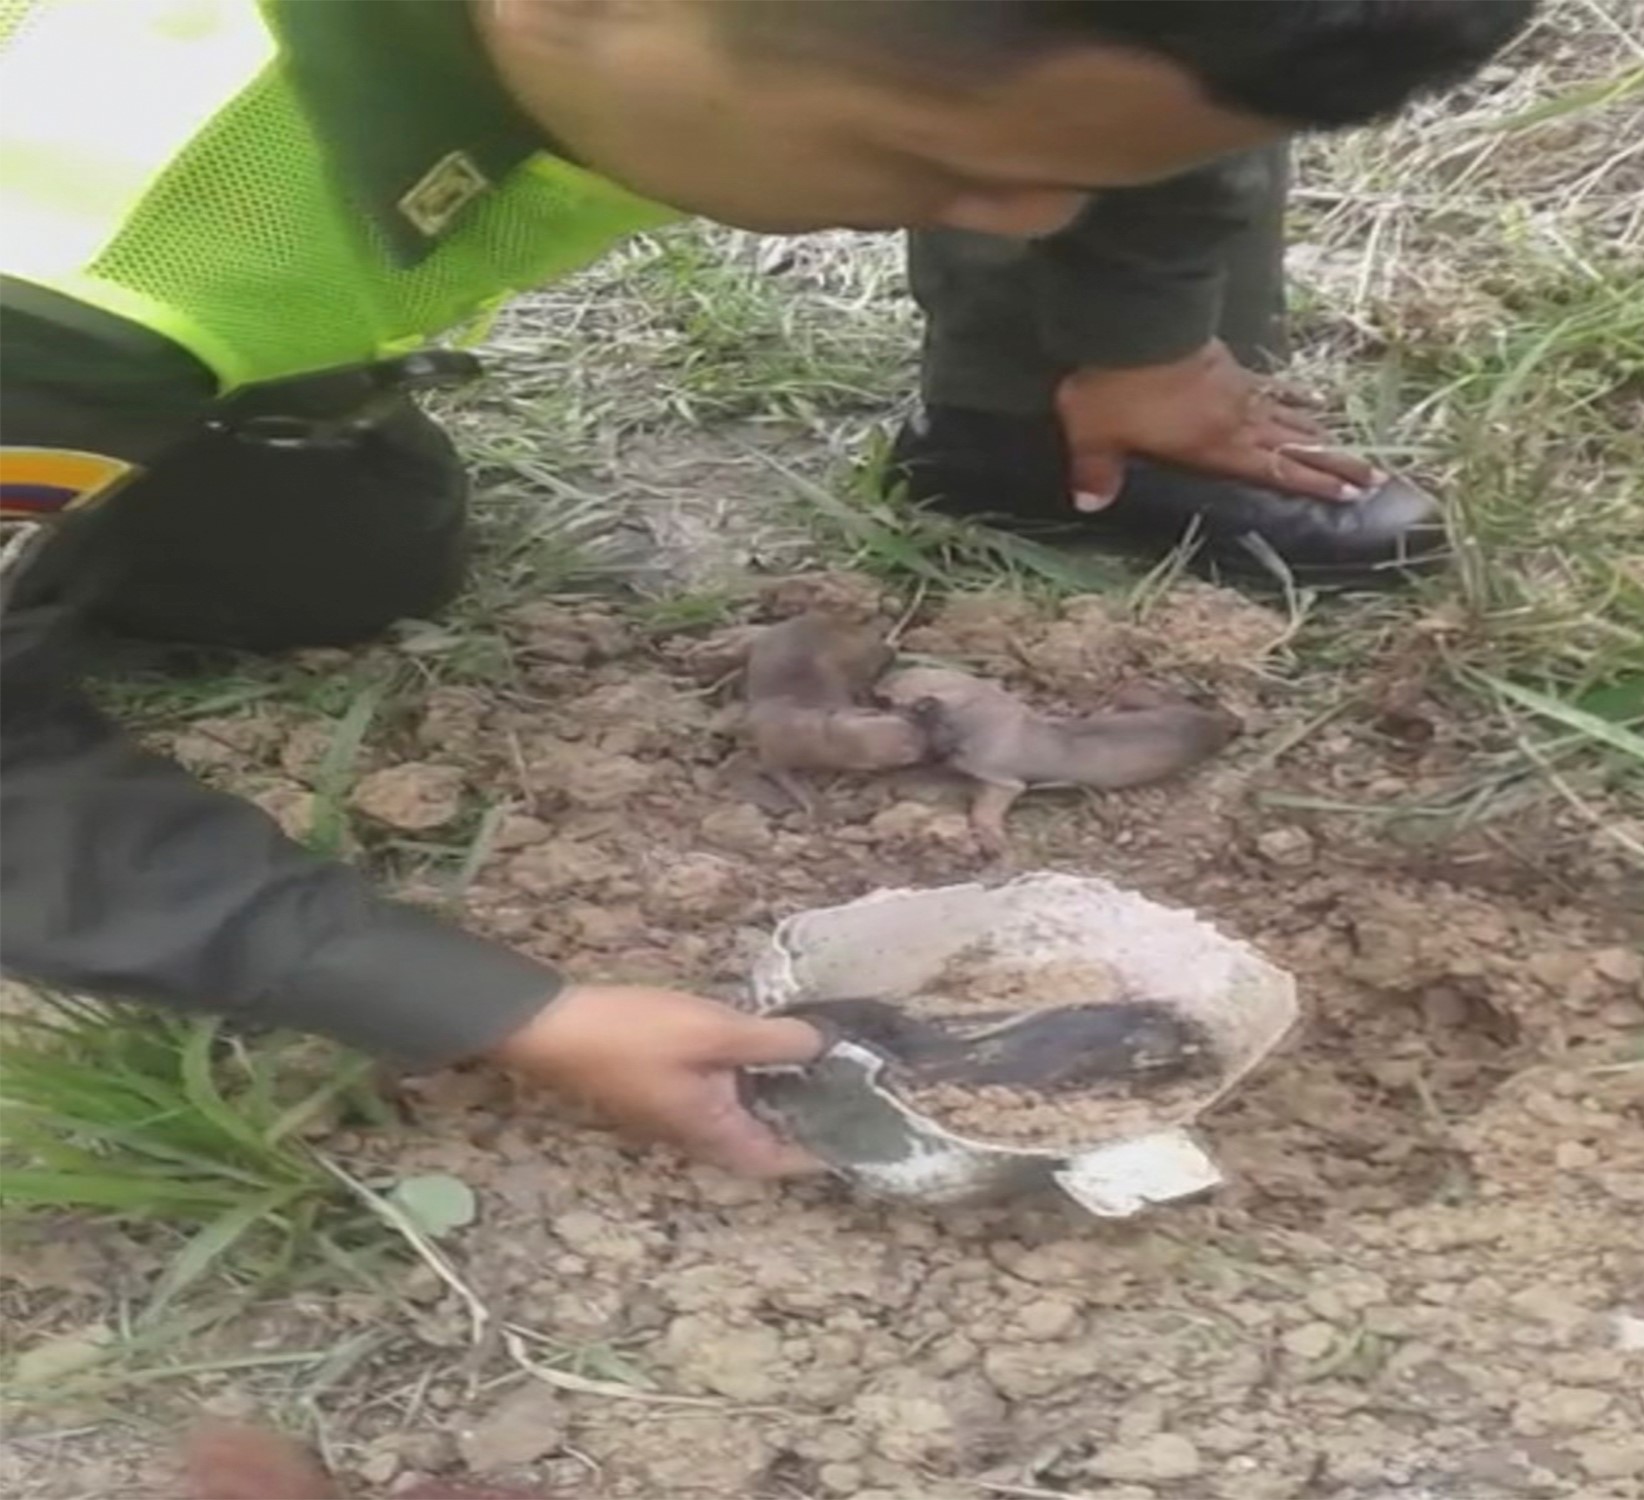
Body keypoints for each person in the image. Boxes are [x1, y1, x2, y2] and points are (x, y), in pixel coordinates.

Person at [0, 0, 1535, 1178]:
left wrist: (1144, 334)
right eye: (940, 166)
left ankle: (1040, 419)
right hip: (96, 284)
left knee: (351, 538)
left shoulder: (748, 53)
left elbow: (1170, 63)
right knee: (319, 568)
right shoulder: (78, 235)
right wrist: (501, 1009)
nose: (1019, 217)